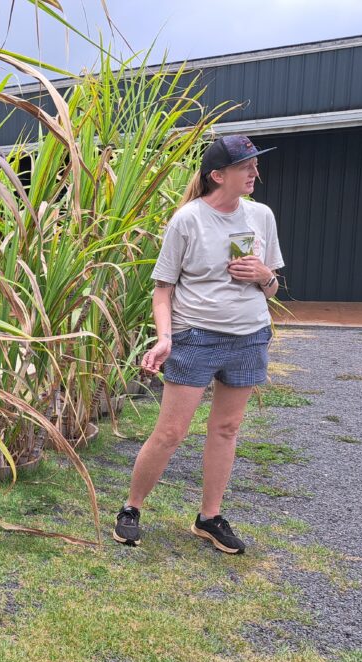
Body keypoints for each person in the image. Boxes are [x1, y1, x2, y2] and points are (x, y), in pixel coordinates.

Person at [113, 135, 284, 553]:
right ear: (217, 175)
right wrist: (165, 338)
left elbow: (274, 289)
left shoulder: (261, 215)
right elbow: (162, 289)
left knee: (226, 429)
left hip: (249, 336)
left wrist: (263, 275)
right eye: (247, 166)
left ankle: (209, 518)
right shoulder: (187, 220)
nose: (255, 173)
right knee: (171, 432)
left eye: (255, 165)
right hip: (197, 338)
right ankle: (131, 509)